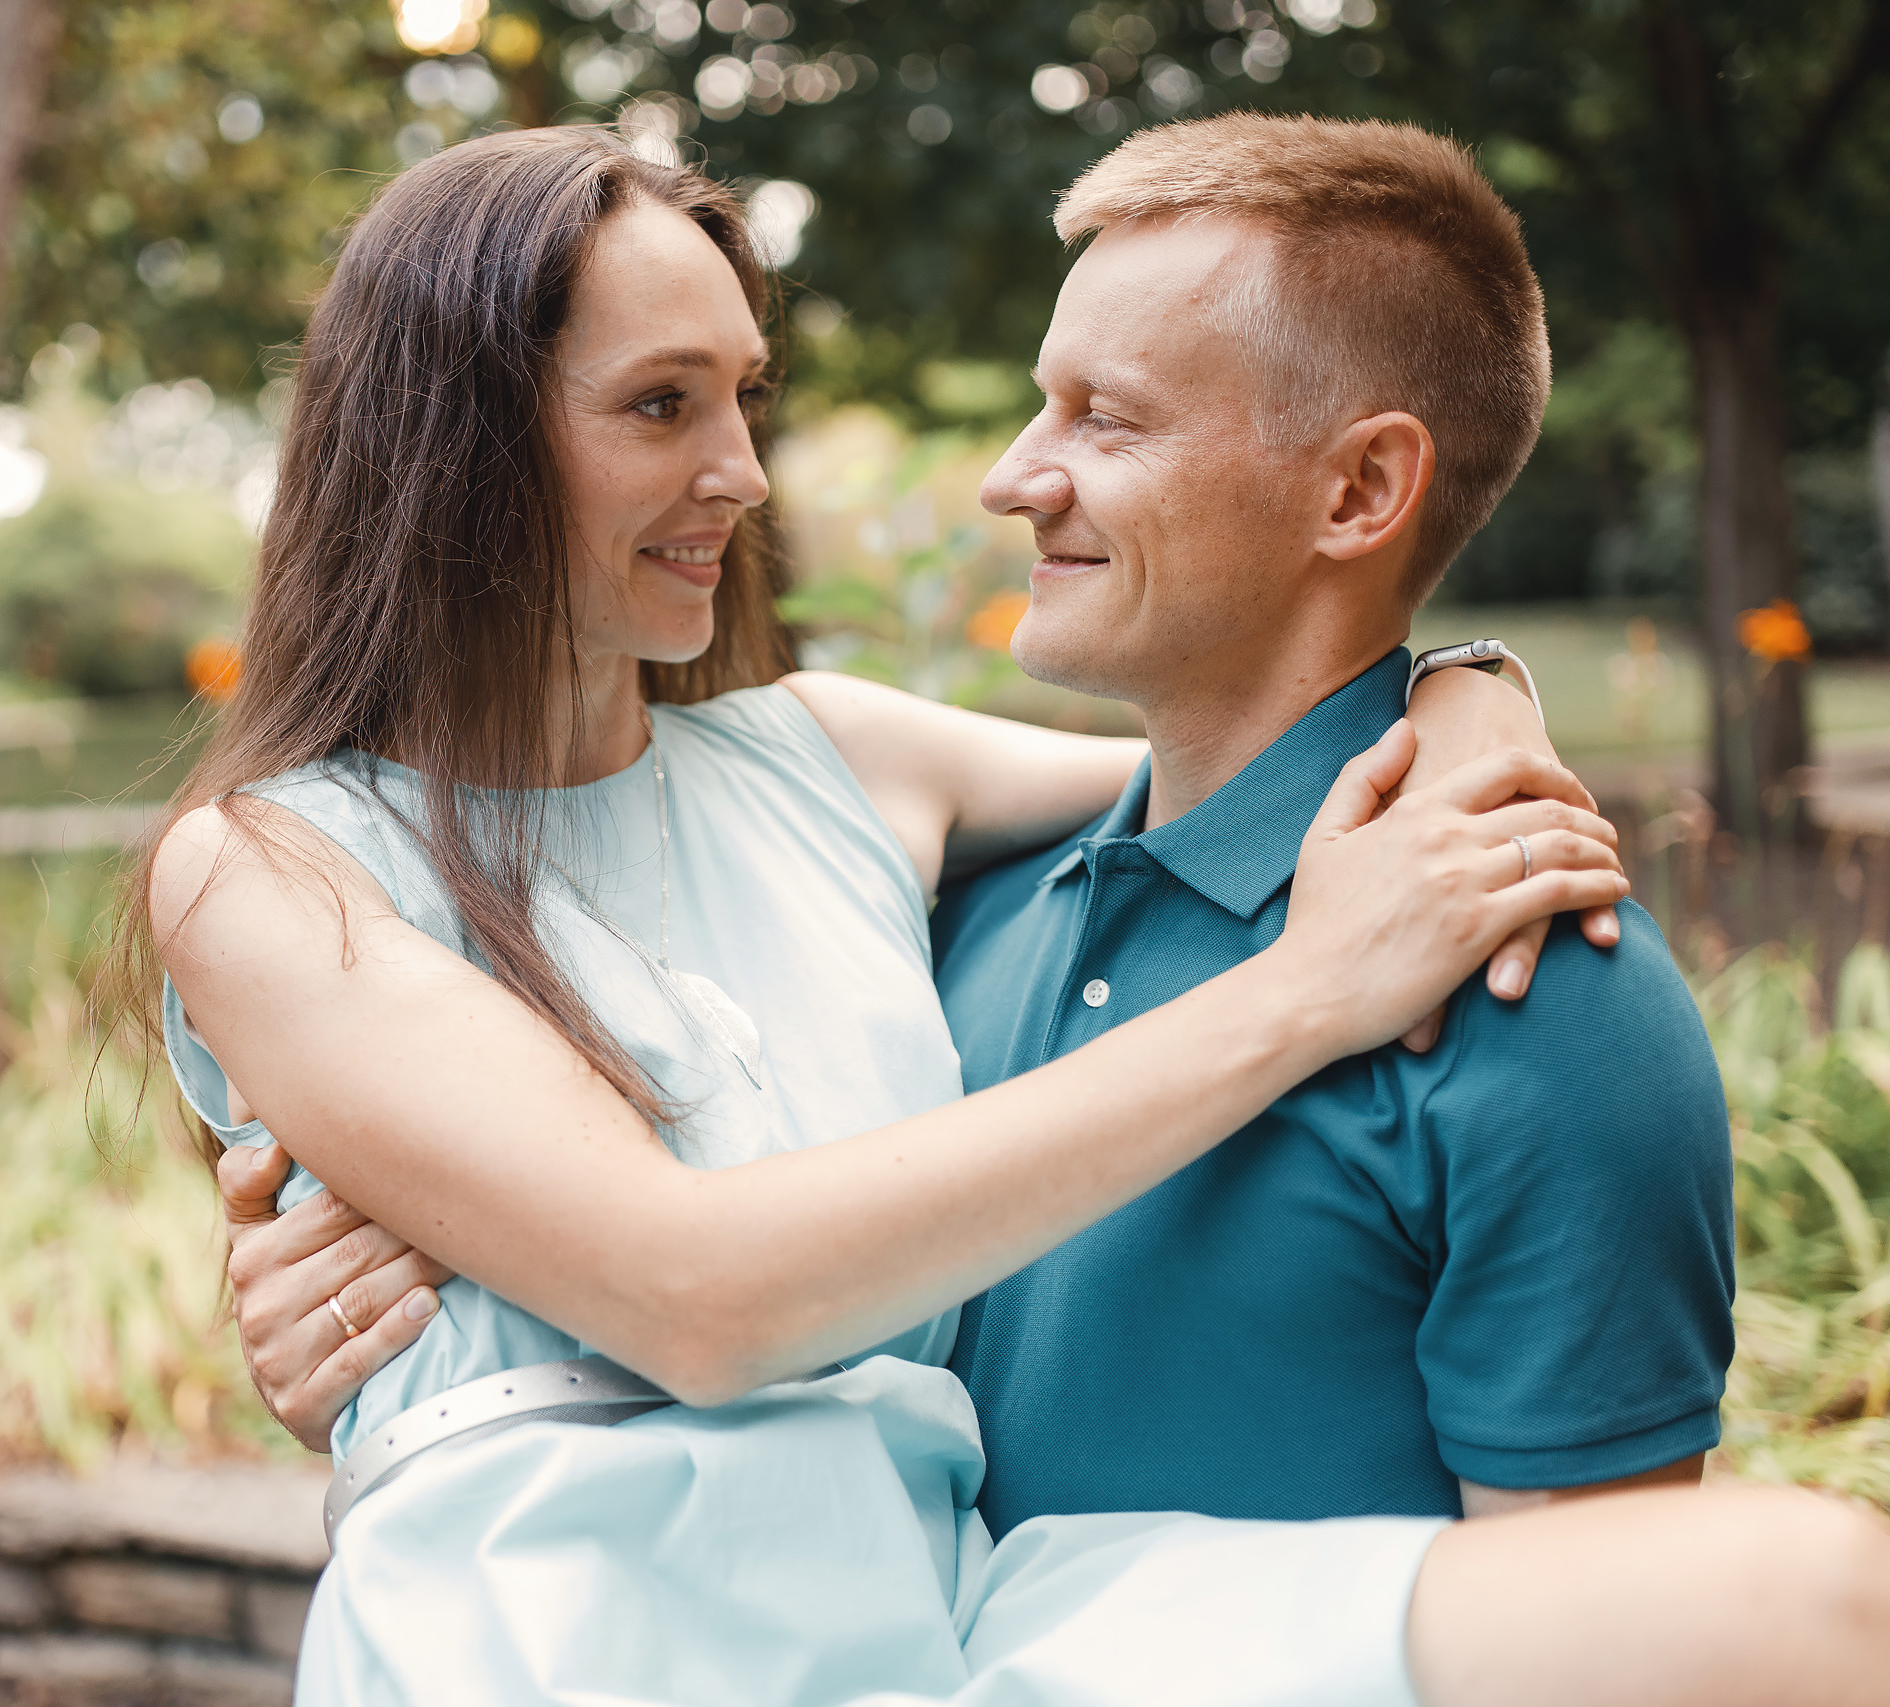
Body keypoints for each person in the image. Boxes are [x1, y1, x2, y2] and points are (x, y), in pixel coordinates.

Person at [128, 124, 1890, 1705]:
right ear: (454, 443)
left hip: (939, 1630)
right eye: (663, 404)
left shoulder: (842, 765)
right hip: (558, 1643)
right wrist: (1312, 989)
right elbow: (694, 1292)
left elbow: (1252, 746)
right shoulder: (269, 867)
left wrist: (1475, 693)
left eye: (745, 398)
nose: (743, 472)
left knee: (1794, 1596)